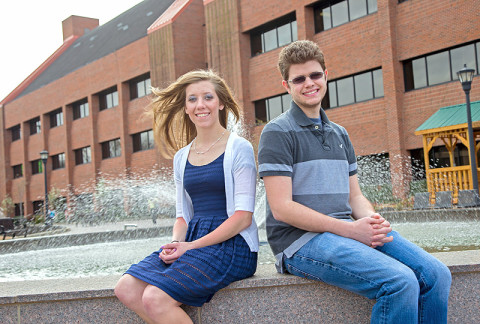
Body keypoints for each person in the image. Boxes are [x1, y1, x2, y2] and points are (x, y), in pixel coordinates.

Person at [258, 40, 451, 324]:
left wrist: (372, 221)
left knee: (436, 275)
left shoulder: (340, 134)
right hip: (300, 244)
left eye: (315, 75)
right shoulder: (277, 132)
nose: (309, 83)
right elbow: (282, 208)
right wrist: (350, 230)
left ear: (326, 75)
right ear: (286, 86)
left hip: (343, 232)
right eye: (299, 79)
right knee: (399, 282)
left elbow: (355, 197)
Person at [115, 69, 259, 324]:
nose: (200, 105)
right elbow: (183, 216)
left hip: (234, 245)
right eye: (192, 99)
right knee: (125, 288)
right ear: (184, 107)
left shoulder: (240, 148)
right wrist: (174, 244)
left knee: (155, 297)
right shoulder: (181, 157)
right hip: (193, 240)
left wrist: (190, 247)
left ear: (221, 102)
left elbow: (243, 218)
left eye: (207, 97)